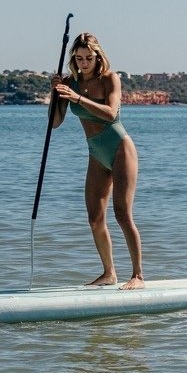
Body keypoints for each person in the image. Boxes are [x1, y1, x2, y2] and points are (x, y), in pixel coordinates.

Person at [50, 32, 146, 290]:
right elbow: (55, 123)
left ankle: (138, 276)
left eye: (88, 58)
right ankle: (109, 273)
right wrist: (56, 94)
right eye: (79, 58)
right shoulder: (71, 83)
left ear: (97, 57)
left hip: (119, 147)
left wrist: (78, 98)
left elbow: (111, 113)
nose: (83, 63)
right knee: (94, 217)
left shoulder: (109, 79)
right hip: (95, 152)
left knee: (123, 214)